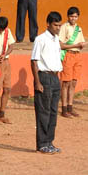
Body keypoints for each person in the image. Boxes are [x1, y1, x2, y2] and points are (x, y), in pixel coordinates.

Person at [31, 11, 64, 154]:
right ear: (48, 24)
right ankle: (42, 143)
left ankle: (49, 141)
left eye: (59, 25)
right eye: (55, 25)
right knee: (43, 111)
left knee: (53, 112)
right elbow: (34, 61)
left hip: (55, 77)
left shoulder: (56, 39)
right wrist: (37, 82)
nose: (58, 28)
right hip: (44, 76)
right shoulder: (40, 39)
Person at [58, 6, 85, 117]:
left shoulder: (79, 28)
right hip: (68, 54)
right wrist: (76, 45)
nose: (73, 18)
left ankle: (70, 106)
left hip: (77, 55)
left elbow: (82, 41)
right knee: (66, 82)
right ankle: (64, 108)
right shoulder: (64, 27)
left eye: (75, 16)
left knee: (73, 82)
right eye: (71, 16)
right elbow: (60, 44)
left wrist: (80, 45)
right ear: (68, 17)